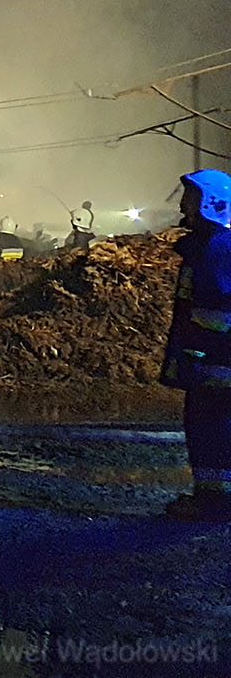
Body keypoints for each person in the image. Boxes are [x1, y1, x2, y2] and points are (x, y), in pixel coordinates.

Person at [159, 168, 231, 521]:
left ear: (210, 204)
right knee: (210, 425)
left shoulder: (217, 248)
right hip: (214, 358)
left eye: (191, 198)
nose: (184, 206)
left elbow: (215, 310)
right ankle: (213, 498)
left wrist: (193, 352)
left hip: (217, 362)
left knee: (210, 427)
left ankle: (213, 502)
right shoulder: (208, 246)